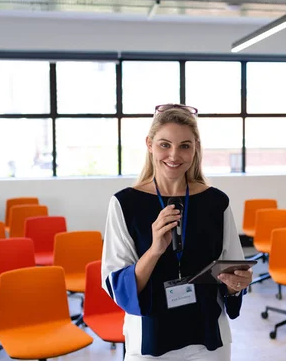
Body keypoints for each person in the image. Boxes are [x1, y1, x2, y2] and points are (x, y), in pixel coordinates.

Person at [101, 103, 253, 360]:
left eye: (185, 146)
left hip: (208, 335)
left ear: (195, 149)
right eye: (164, 144)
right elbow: (116, 284)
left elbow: (233, 269)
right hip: (150, 338)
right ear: (149, 144)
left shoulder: (216, 201)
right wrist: (155, 250)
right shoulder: (124, 203)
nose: (174, 155)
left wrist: (237, 285)